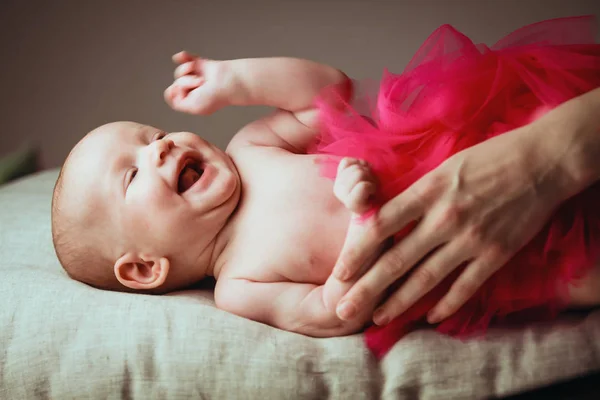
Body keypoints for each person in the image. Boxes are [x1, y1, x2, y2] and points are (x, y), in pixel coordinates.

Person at [51, 16, 600, 359]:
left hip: (465, 157)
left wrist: (235, 80)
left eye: (155, 134)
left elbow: (325, 95)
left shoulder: (252, 148)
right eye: (132, 173)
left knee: (543, 112)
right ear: (145, 267)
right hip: (461, 261)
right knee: (574, 278)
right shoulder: (239, 287)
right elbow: (326, 310)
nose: (160, 148)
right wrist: (364, 229)